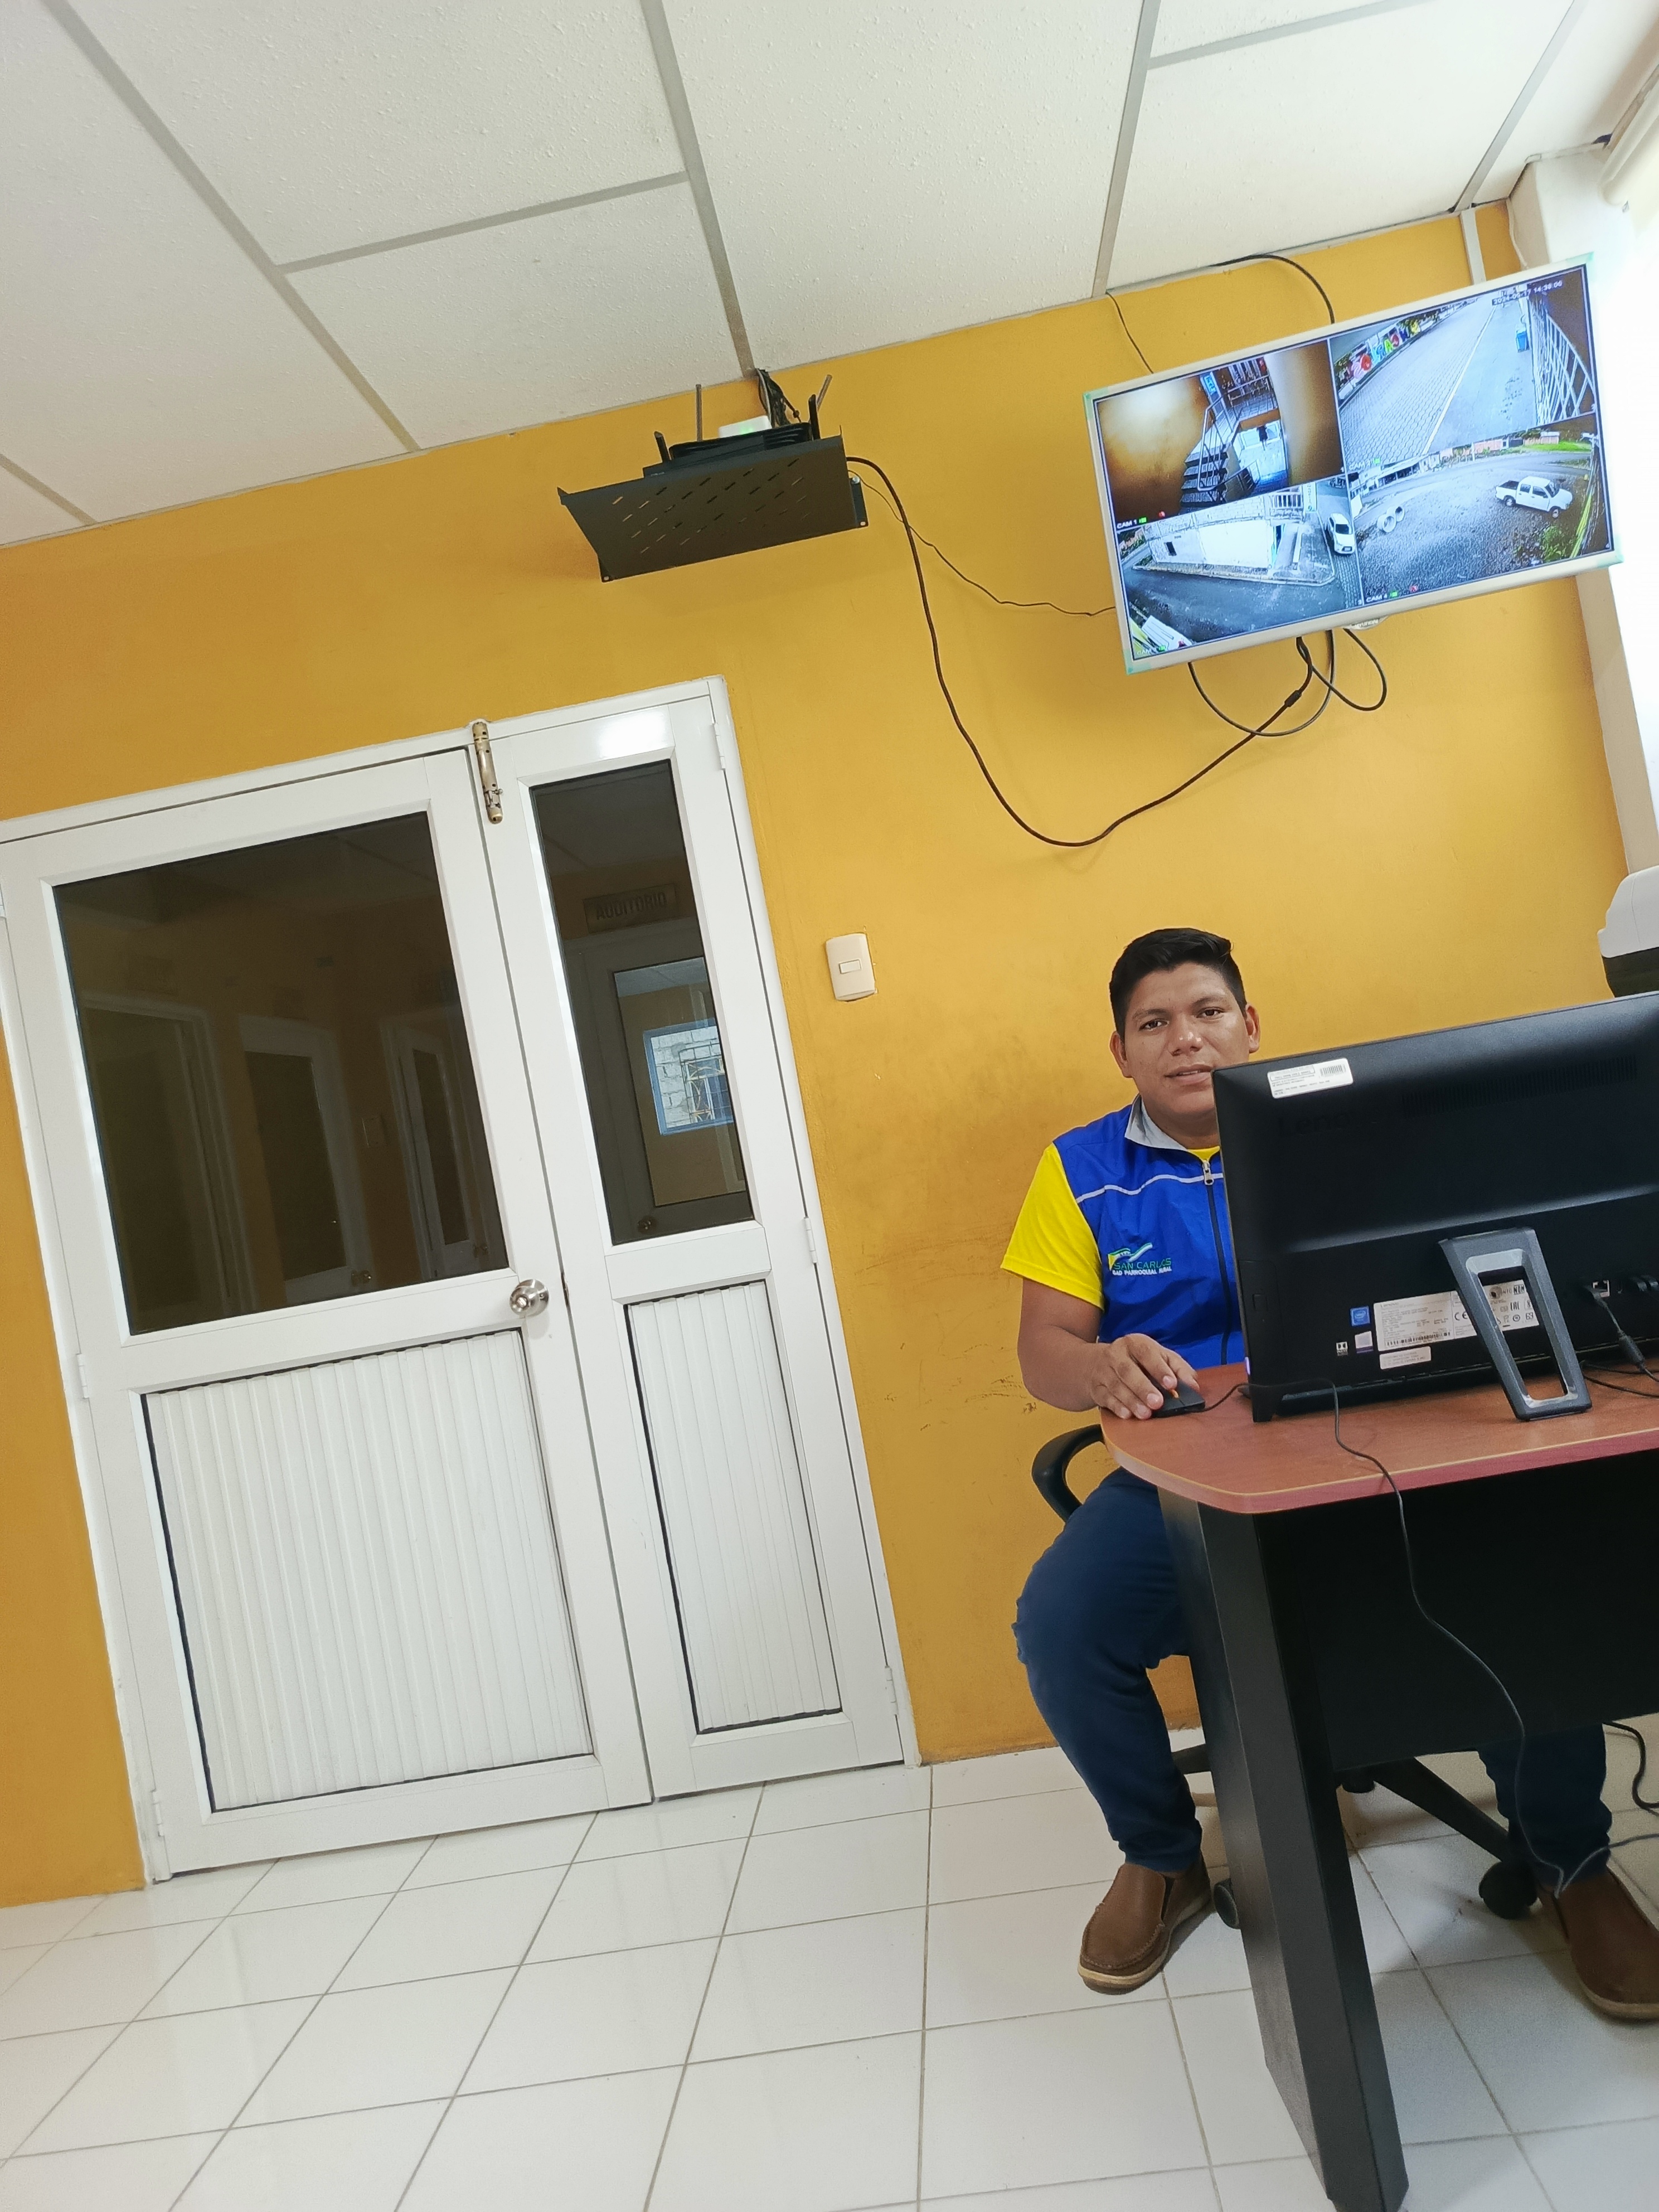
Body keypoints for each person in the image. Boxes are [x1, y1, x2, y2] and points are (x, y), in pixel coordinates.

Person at [1002, 925, 1659, 2014]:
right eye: (1153, 1023)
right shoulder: (1080, 1170)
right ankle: (1162, 1855)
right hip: (1184, 1480)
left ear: (1250, 1025)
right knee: (1063, 1626)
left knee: (1523, 1587)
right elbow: (1044, 1353)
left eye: (1207, 1011)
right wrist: (1099, 1363)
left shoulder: (1346, 1132)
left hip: (1371, 1446)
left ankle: (1569, 1860)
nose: (1184, 1038)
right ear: (1122, 1052)